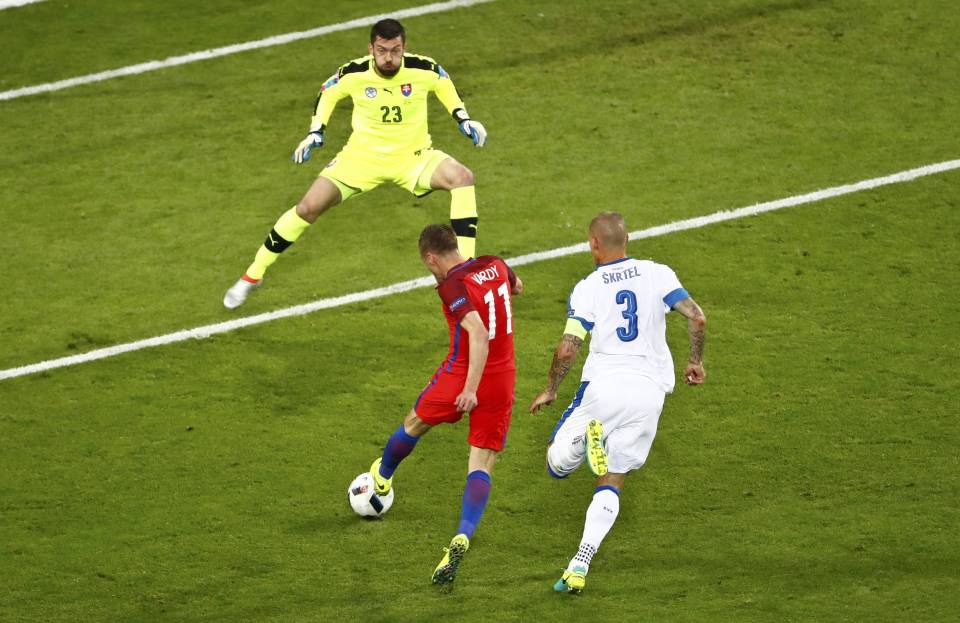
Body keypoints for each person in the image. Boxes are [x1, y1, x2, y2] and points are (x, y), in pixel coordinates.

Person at [223, 18, 488, 309]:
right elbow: (328, 93)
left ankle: (466, 272)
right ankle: (253, 275)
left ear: (405, 48)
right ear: (371, 48)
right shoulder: (353, 73)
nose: (389, 58)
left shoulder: (423, 68)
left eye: (395, 51)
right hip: (361, 159)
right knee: (307, 208)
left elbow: (445, 84)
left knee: (462, 177)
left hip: (413, 157)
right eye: (382, 50)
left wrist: (463, 117)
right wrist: (316, 131)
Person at [528, 211, 707, 594]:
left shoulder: (588, 287)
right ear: (626, 239)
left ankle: (581, 441)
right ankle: (580, 562)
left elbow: (567, 347)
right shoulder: (658, 273)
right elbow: (697, 318)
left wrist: (551, 387)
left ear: (594, 243)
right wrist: (695, 361)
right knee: (613, 477)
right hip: (649, 393)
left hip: (604, 388)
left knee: (556, 465)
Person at [367, 223, 522, 587]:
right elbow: (517, 286)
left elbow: (479, 334)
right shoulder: (495, 263)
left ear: (431, 257)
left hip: (464, 374)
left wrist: (469, 389)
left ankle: (382, 478)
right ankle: (463, 535)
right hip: (504, 376)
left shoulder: (451, 284)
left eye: (428, 265)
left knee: (414, 422)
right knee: (481, 461)